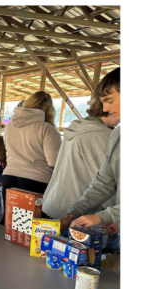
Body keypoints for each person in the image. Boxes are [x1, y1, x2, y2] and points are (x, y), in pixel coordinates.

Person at [43, 87, 120, 221]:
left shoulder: (78, 128)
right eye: (107, 102)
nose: (108, 108)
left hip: (57, 202)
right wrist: (109, 217)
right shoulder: (100, 135)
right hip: (80, 212)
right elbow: (106, 183)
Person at [60, 68, 121, 235]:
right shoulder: (116, 135)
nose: (106, 109)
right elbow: (103, 183)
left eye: (109, 100)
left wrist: (102, 216)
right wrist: (74, 212)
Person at [2, 91, 62, 220]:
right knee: (34, 227)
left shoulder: (9, 126)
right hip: (36, 181)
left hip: (9, 177)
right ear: (49, 109)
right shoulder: (47, 129)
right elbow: (54, 161)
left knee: (11, 224)